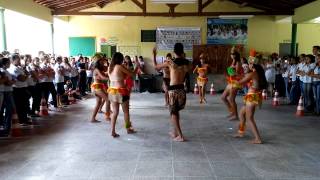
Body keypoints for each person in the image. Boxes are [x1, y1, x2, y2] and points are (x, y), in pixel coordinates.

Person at [153, 43, 190, 142]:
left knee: (173, 113)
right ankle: (175, 132)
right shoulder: (187, 63)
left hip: (173, 90)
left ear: (174, 52)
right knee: (175, 112)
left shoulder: (170, 62)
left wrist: (154, 55)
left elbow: (156, 67)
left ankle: (180, 136)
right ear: (182, 52)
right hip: (182, 89)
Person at [234, 60, 267, 144]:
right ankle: (241, 132)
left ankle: (258, 139)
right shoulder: (254, 73)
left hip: (252, 97)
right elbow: (243, 79)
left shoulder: (252, 74)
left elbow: (240, 82)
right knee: (241, 113)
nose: (248, 66)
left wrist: (232, 79)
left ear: (253, 67)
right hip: (252, 96)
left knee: (249, 118)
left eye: (249, 65)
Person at [108, 52, 140, 138]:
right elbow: (133, 74)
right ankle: (128, 129)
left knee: (115, 112)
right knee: (126, 112)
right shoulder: (119, 66)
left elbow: (122, 77)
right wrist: (137, 66)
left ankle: (112, 131)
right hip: (121, 91)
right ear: (120, 59)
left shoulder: (110, 68)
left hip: (112, 91)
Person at [8, 54, 31, 126]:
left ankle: (24, 118)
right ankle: (21, 120)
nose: (19, 61)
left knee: (25, 104)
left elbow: (26, 74)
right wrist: (26, 75)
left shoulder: (19, 67)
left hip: (23, 87)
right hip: (17, 89)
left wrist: (25, 74)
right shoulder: (13, 68)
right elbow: (21, 78)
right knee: (19, 105)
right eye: (18, 59)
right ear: (13, 60)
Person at [221, 51, 243, 121]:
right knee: (223, 97)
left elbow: (236, 73)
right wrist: (228, 73)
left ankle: (236, 116)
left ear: (236, 55)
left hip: (236, 82)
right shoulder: (233, 62)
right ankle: (232, 111)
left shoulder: (238, 63)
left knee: (231, 99)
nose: (231, 55)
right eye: (231, 54)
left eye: (233, 54)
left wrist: (231, 71)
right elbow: (231, 73)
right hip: (231, 82)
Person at [91, 55, 111, 123]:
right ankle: (107, 116)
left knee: (98, 103)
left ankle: (92, 118)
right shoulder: (96, 69)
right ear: (98, 62)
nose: (103, 62)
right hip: (97, 87)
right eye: (102, 61)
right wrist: (113, 78)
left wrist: (108, 63)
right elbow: (103, 77)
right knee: (108, 100)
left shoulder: (101, 68)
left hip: (98, 87)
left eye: (103, 61)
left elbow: (108, 69)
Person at [0, 57, 15, 136]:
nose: (10, 64)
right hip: (6, 92)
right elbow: (7, 82)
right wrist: (12, 81)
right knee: (9, 110)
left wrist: (11, 81)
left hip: (7, 91)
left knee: (9, 110)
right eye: (8, 63)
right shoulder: (2, 71)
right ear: (4, 64)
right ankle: (6, 128)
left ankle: (6, 128)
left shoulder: (5, 71)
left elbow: (8, 81)